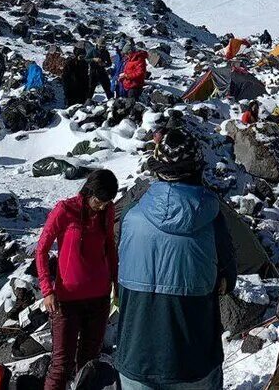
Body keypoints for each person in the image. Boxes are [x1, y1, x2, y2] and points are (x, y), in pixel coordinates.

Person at [116, 129, 237, 390]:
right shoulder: (212, 219)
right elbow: (228, 279)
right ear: (197, 170)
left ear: (157, 170)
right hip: (193, 360)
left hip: (135, 355)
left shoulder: (129, 216)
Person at [35, 170, 119, 390]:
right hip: (66, 300)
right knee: (61, 365)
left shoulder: (107, 211)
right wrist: (47, 289)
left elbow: (110, 246)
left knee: (90, 362)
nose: (102, 206)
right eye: (99, 201)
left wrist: (116, 281)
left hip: (99, 298)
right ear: (89, 192)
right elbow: (41, 250)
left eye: (107, 202)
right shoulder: (65, 210)